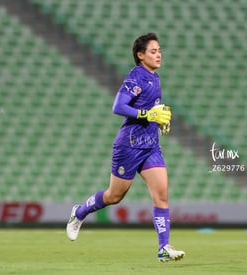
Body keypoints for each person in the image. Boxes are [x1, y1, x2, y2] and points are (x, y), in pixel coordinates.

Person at [66, 32, 185, 262]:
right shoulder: (136, 77)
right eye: (153, 51)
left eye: (159, 50)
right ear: (140, 55)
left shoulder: (155, 77)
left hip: (150, 146)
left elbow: (153, 111)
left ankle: (163, 247)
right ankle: (78, 212)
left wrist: (159, 122)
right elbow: (118, 105)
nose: (159, 54)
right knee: (114, 196)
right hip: (129, 146)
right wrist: (147, 114)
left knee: (161, 195)